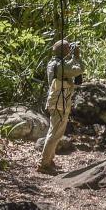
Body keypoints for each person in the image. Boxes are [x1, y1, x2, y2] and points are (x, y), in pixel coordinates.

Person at [39, 39, 83, 172]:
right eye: (68, 48)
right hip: (59, 102)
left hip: (59, 100)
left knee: (56, 132)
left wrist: (71, 55)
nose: (70, 49)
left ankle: (49, 160)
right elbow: (79, 69)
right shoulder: (60, 65)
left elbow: (69, 68)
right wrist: (77, 55)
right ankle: (44, 164)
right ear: (63, 50)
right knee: (54, 133)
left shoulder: (55, 63)